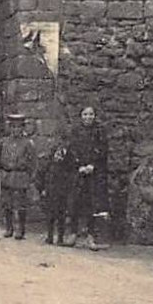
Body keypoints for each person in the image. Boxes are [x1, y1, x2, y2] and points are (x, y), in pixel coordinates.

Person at [67, 105, 110, 250]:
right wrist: (78, 165)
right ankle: (73, 233)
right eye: (85, 114)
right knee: (74, 202)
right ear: (81, 116)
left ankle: (90, 236)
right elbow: (72, 149)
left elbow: (103, 150)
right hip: (77, 172)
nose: (88, 117)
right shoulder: (75, 131)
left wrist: (93, 165)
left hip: (94, 174)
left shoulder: (100, 131)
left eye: (91, 114)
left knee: (93, 204)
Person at [0, 112, 37, 240]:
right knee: (7, 203)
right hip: (6, 176)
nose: (16, 130)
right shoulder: (3, 142)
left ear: (23, 128)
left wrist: (30, 178)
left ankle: (21, 229)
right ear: (10, 128)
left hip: (21, 176)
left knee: (21, 204)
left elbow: (33, 162)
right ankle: (9, 228)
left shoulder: (28, 143)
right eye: (13, 127)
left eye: (18, 127)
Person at [41, 142, 78, 246]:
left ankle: (60, 237)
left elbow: (72, 172)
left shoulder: (70, 157)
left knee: (61, 213)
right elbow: (44, 171)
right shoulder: (50, 157)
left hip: (63, 188)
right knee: (50, 213)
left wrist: (69, 186)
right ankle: (50, 236)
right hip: (51, 188)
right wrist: (43, 188)